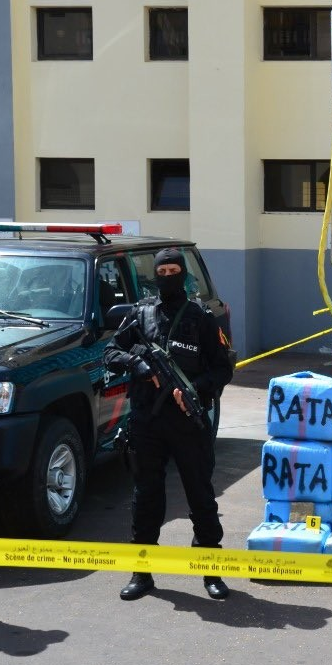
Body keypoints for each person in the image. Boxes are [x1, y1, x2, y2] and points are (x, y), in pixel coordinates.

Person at [103, 248, 234, 601]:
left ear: (183, 274)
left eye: (174, 271)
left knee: (201, 495)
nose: (168, 277)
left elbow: (223, 368)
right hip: (147, 422)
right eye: (163, 271)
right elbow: (111, 353)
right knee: (146, 497)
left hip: (188, 423)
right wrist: (136, 364)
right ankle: (141, 572)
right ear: (156, 275)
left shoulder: (200, 318)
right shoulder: (141, 315)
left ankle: (210, 569)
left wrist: (198, 389)